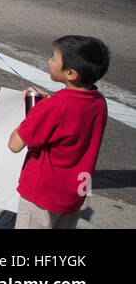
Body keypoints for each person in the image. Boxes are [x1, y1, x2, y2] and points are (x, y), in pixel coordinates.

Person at [9, 36, 109, 229]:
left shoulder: (51, 108)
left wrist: (36, 110)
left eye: (54, 59)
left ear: (71, 74)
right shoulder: (99, 102)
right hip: (74, 194)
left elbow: (15, 144)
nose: (50, 61)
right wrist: (45, 106)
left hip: (42, 193)